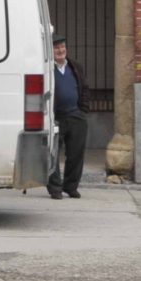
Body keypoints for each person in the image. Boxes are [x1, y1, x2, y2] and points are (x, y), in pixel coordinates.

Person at [49, 34, 88, 198]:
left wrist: (83, 110)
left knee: (76, 154)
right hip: (55, 117)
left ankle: (71, 186)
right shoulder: (47, 68)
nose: (60, 50)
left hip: (75, 116)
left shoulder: (74, 66)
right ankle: (55, 188)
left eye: (62, 47)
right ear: (51, 50)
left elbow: (84, 87)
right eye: (57, 48)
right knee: (52, 153)